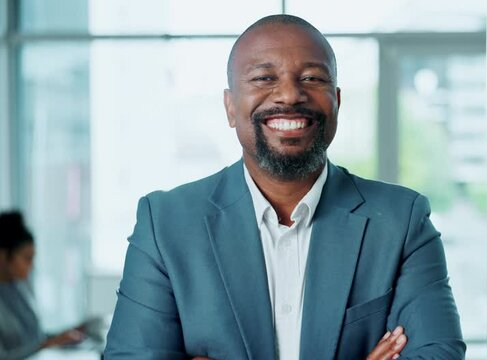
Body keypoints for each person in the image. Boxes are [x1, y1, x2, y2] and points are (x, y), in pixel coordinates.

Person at [105, 14, 465, 359]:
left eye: (311, 78)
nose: (290, 95)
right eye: (264, 78)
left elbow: (440, 354)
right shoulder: (165, 224)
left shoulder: (401, 221)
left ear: (337, 101)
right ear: (231, 107)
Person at [0, 211, 85, 359]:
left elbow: (35, 338)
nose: (31, 266)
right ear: (3, 255)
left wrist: (66, 334)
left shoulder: (19, 288)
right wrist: (46, 345)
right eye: (27, 258)